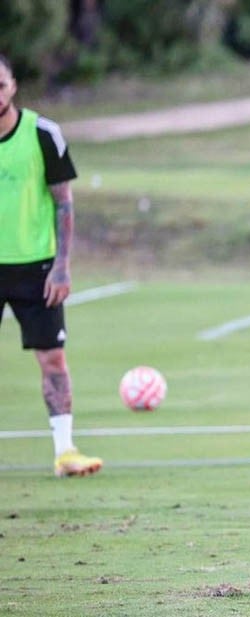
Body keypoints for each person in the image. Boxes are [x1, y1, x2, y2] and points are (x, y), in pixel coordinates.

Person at [0, 53, 102, 478]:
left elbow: (64, 203)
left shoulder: (43, 133)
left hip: (36, 268)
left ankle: (65, 452)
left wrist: (62, 265)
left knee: (53, 361)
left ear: (13, 85)